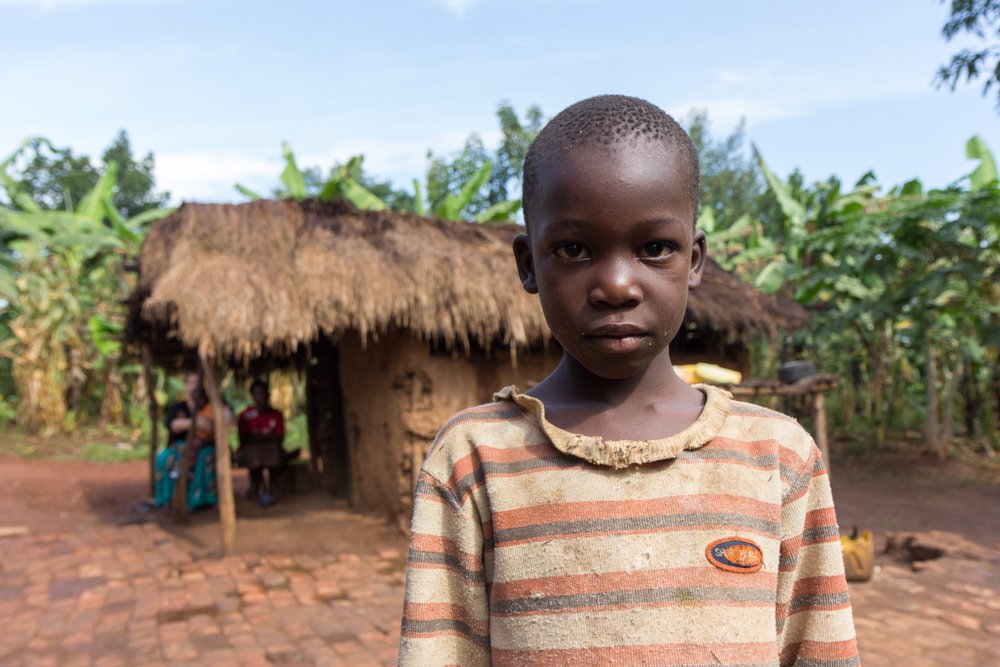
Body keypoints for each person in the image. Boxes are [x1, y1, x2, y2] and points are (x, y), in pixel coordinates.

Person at [398, 96, 858, 666]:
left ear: (693, 260)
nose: (617, 285)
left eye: (654, 249)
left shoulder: (779, 458)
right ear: (527, 264)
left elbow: (820, 651)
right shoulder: (473, 458)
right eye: (573, 249)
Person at [154, 373, 228, 510]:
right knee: (164, 458)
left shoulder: (212, 406)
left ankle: (201, 499)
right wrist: (196, 422)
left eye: (198, 383)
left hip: (206, 445)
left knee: (205, 457)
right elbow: (173, 426)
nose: (195, 387)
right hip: (180, 446)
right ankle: (167, 498)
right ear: (186, 386)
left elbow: (219, 423)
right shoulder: (178, 408)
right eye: (192, 383)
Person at [237, 379, 285, 507]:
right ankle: (261, 487)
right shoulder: (245, 416)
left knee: (274, 452)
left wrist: (258, 436)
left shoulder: (276, 415)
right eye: (257, 394)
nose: (261, 397)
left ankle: (272, 488)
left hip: (271, 449)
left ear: (268, 395)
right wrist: (266, 435)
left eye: (263, 394)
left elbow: (279, 437)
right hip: (251, 451)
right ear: (252, 396)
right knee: (254, 454)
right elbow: (244, 439)